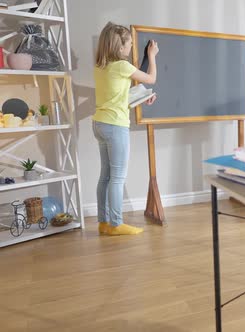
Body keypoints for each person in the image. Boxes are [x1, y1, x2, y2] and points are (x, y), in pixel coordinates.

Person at [93, 22, 159, 236]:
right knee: (118, 177)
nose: (131, 48)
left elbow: (117, 96)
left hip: (100, 123)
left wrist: (142, 97)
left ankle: (104, 222)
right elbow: (151, 79)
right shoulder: (122, 65)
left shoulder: (101, 66)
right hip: (115, 125)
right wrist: (153, 55)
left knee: (105, 176)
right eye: (129, 44)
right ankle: (116, 224)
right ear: (119, 47)